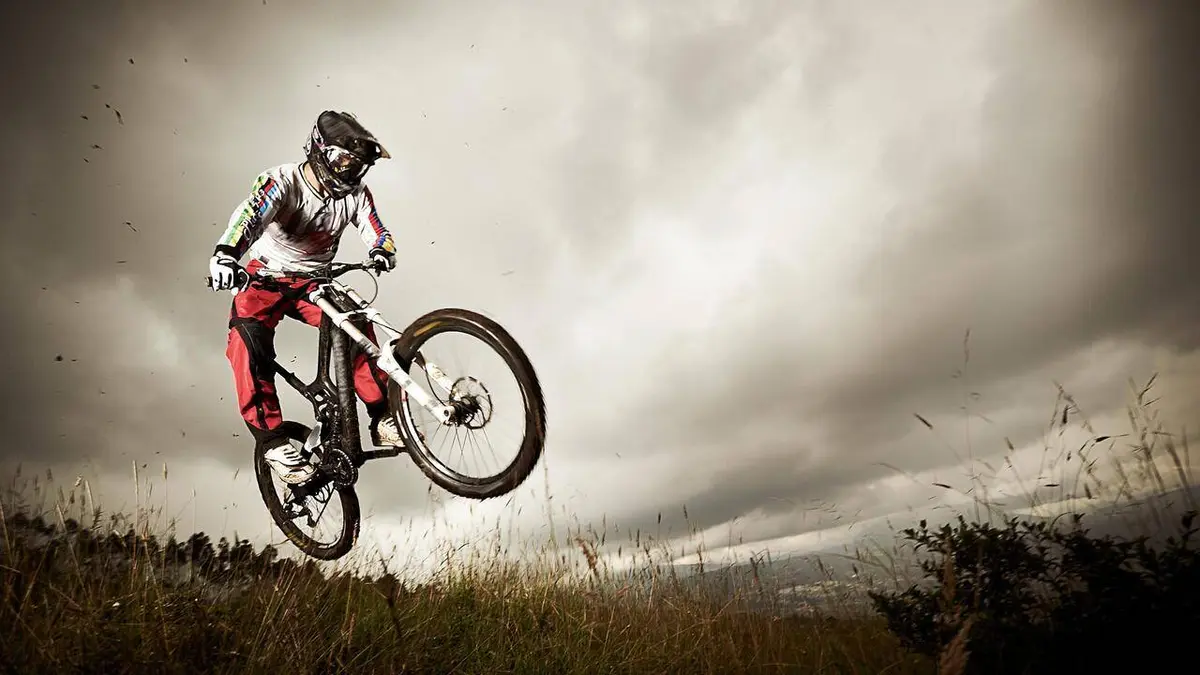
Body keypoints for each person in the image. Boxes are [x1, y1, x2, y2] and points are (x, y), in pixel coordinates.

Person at [208, 110, 402, 485]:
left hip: (315, 282)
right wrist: (226, 255)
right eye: (343, 161)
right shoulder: (282, 181)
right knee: (247, 340)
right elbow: (249, 217)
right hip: (265, 277)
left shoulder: (356, 194)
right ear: (319, 150)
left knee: (355, 325)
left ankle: (382, 416)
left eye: (357, 166)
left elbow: (376, 229)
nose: (349, 172)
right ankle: (273, 441)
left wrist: (382, 249)